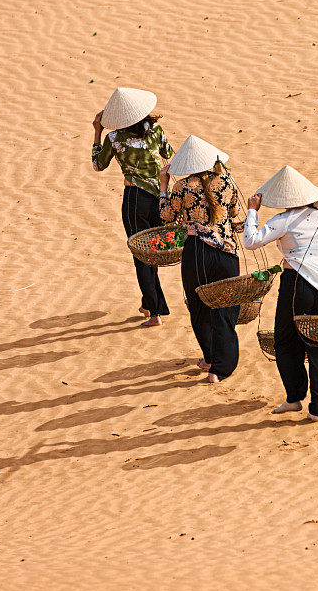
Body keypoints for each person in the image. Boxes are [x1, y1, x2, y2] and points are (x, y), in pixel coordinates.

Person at [243, 165, 318, 421]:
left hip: (297, 284)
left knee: (286, 340)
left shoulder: (284, 220)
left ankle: (295, 397)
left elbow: (250, 241)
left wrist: (252, 211)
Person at [159, 135, 242, 384]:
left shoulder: (181, 186)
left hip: (197, 254)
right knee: (225, 307)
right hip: (226, 251)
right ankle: (221, 367)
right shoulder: (227, 181)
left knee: (199, 305)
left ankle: (209, 358)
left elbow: (166, 216)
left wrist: (163, 186)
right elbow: (236, 213)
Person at [92, 87, 174, 328]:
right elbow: (168, 153)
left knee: (142, 256)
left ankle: (154, 312)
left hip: (135, 200)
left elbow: (98, 165)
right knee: (152, 253)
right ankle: (149, 303)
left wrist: (98, 133)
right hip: (160, 198)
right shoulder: (156, 130)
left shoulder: (114, 139)